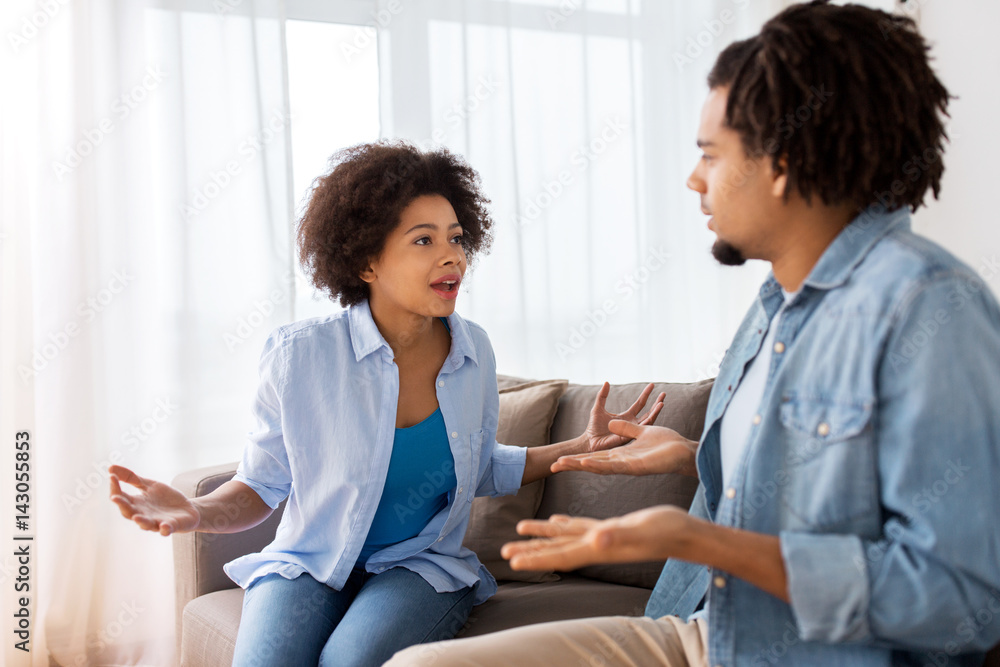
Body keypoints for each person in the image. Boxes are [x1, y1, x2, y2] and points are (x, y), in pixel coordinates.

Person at [385, 2, 1000, 666]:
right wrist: (691, 454)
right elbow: (814, 472)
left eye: (710, 154)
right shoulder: (775, 305)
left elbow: (962, 602)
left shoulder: (928, 308)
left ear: (783, 162)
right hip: (707, 631)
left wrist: (699, 540)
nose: (693, 179)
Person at [107, 141, 665, 667]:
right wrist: (197, 512)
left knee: (350, 661)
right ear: (366, 263)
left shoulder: (474, 352)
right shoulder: (299, 356)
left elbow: (475, 467)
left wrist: (579, 447)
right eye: (424, 241)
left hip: (420, 567)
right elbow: (262, 484)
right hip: (310, 560)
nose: (451, 257)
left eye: (456, 238)